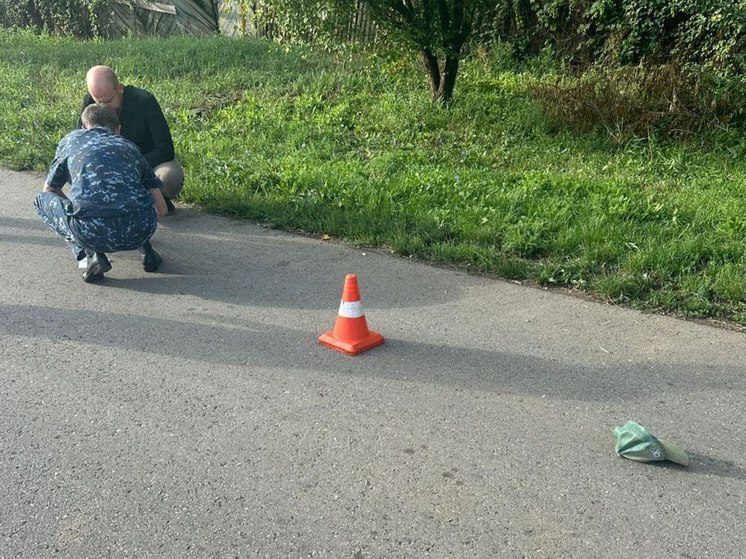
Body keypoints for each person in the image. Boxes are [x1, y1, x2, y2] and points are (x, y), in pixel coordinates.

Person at [35, 103, 168, 283]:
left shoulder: (72, 141)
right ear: (118, 130)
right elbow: (161, 208)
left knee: (41, 200)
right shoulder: (130, 147)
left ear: (83, 127)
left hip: (91, 233)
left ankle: (88, 259)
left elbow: (50, 190)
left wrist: (75, 210)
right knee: (133, 192)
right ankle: (148, 254)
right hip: (141, 230)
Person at [78, 65, 184, 212]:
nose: (104, 108)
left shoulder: (144, 101)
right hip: (108, 167)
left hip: (146, 163)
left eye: (108, 101)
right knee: (76, 170)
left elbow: (165, 149)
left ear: (120, 89)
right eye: (98, 102)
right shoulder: (89, 103)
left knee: (170, 177)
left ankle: (152, 200)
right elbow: (80, 144)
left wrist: (132, 165)